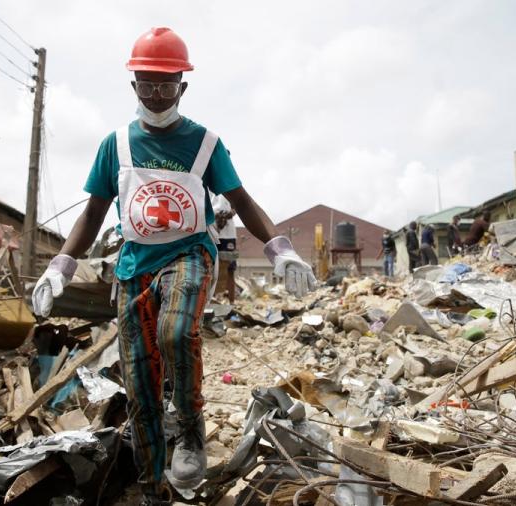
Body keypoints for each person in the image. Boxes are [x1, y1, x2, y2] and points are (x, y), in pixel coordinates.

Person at [30, 28, 317, 504]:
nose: (157, 93)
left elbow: (241, 201)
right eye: (147, 83)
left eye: (167, 84)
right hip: (133, 265)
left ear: (183, 86)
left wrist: (279, 249)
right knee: (140, 380)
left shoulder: (204, 143)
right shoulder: (115, 145)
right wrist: (59, 266)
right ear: (134, 84)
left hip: (188, 254)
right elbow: (94, 212)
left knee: (177, 331)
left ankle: (189, 429)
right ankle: (152, 486)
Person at [211, 192, 238, 301]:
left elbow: (236, 207)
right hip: (211, 230)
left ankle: (231, 303)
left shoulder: (229, 187)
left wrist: (228, 215)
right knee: (211, 268)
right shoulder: (204, 184)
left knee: (230, 269)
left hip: (228, 234)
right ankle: (210, 302)